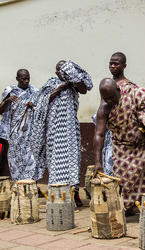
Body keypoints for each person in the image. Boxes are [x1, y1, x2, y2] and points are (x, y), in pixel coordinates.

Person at [93, 78, 145, 215]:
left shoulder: (134, 94)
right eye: (107, 99)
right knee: (124, 180)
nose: (110, 101)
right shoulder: (104, 108)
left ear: (119, 90)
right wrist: (97, 162)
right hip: (122, 148)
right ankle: (128, 206)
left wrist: (142, 129)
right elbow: (99, 135)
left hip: (144, 146)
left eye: (112, 97)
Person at [30, 60, 92, 206]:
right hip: (54, 131)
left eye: (65, 70)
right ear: (56, 72)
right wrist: (61, 87)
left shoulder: (74, 85)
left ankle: (73, 194)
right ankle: (57, 194)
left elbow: (84, 90)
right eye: (60, 70)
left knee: (72, 162)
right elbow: (42, 102)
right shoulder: (50, 84)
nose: (62, 72)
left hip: (71, 131)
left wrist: (73, 81)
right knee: (55, 162)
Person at [91, 52, 131, 177]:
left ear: (124, 66)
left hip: (126, 138)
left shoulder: (129, 88)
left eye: (116, 64)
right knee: (109, 173)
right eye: (111, 63)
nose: (113, 66)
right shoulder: (106, 86)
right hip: (109, 137)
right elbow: (102, 113)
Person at [0, 69, 39, 181]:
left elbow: (41, 111)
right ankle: (18, 182)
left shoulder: (34, 91)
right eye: (23, 78)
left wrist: (33, 106)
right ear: (17, 79)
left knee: (31, 158)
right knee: (15, 157)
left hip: (31, 132)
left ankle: (29, 183)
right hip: (15, 132)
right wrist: (7, 101)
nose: (26, 81)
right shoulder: (10, 91)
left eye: (28, 78)